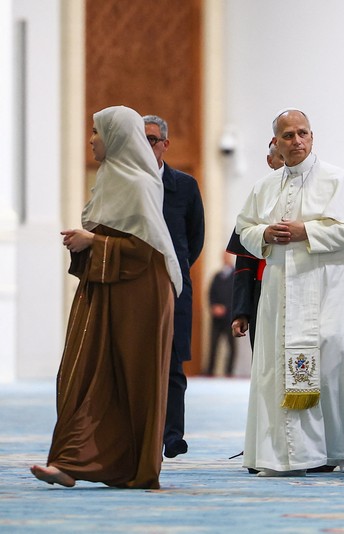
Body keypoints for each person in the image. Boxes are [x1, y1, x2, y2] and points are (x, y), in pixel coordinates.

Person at [31, 105, 182, 489]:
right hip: (106, 289)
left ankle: (126, 467)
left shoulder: (139, 183)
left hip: (139, 295)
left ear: (115, 137)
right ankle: (71, 462)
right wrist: (90, 243)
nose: (92, 140)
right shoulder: (110, 178)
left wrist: (93, 241)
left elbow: (146, 251)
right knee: (87, 371)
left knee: (131, 378)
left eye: (97, 132)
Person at [236, 109, 344, 476]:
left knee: (332, 363)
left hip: (327, 284)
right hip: (280, 287)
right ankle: (281, 453)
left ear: (312, 136)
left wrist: (306, 232)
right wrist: (264, 234)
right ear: (275, 143)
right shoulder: (264, 186)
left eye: (303, 133)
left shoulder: (340, 180)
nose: (297, 142)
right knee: (275, 370)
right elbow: (243, 228)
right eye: (288, 136)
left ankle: (332, 450)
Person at [143, 114, 205, 459]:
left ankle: (172, 436)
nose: (147, 145)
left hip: (174, 287)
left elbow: (195, 239)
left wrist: (175, 270)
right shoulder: (127, 183)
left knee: (173, 365)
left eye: (153, 139)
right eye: (141, 139)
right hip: (134, 287)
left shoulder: (185, 186)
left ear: (166, 144)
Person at [227, 141, 285, 349]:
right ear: (270, 161)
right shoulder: (258, 199)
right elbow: (244, 266)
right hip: (263, 290)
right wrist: (241, 311)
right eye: (281, 157)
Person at [206, 253, 236, 376]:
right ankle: (210, 371)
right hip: (216, 318)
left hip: (230, 318)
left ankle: (229, 372)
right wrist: (214, 306)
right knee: (213, 344)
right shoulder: (217, 276)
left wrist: (226, 308)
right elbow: (210, 294)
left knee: (231, 346)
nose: (225, 258)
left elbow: (236, 294)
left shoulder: (235, 275)